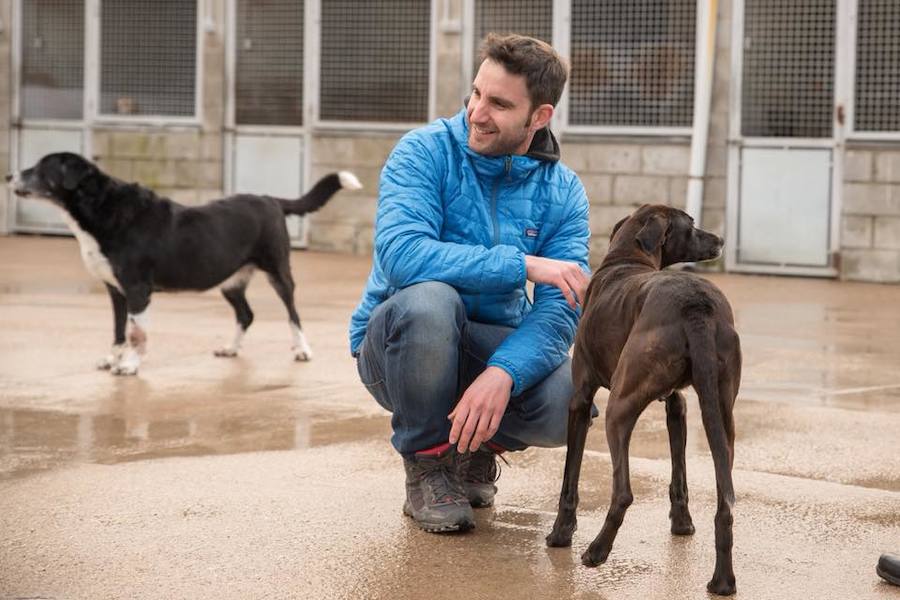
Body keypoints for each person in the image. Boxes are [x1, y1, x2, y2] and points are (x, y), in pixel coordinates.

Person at [349, 33, 593, 533]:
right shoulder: (423, 152)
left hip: (485, 346)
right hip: (398, 345)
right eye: (476, 93)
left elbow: (559, 311)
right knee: (431, 301)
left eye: (500, 104)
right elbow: (401, 256)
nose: (477, 112)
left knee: (573, 396)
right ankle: (427, 464)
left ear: (539, 117)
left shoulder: (563, 191)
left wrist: (504, 372)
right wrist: (522, 264)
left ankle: (473, 447)